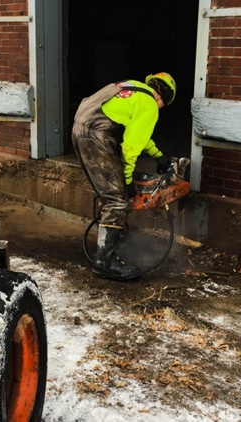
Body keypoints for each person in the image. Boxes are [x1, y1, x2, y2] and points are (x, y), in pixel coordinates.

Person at [71, 72, 186, 281]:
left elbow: (139, 133)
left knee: (108, 194)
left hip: (79, 131)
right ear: (165, 98)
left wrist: (158, 156)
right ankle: (105, 263)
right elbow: (131, 146)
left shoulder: (131, 87)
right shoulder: (150, 104)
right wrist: (127, 179)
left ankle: (112, 242)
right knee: (117, 200)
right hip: (97, 136)